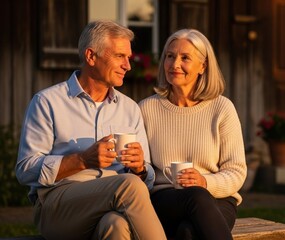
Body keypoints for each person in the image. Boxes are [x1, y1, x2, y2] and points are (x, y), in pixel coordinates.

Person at [16, 20, 166, 240]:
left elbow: (146, 179)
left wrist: (140, 169)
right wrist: (82, 160)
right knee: (129, 185)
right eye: (119, 56)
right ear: (91, 56)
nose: (128, 65)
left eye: (129, 57)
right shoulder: (47, 102)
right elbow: (25, 169)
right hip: (58, 207)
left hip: (111, 205)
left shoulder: (129, 109)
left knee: (115, 225)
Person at [138, 28, 247, 240]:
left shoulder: (222, 108)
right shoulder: (146, 109)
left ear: (203, 66)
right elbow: (142, 168)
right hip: (165, 199)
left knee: (187, 233)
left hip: (217, 199)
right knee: (196, 197)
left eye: (185, 58)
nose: (174, 64)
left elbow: (236, 171)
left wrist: (205, 182)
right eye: (170, 56)